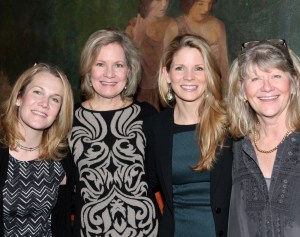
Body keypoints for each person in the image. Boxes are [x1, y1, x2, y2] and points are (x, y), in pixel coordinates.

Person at [68, 29, 159, 237]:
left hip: (146, 230)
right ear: (88, 70)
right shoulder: (69, 119)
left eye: (118, 65)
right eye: (100, 64)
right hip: (91, 230)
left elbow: (155, 177)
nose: (109, 74)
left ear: (129, 70)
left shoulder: (147, 116)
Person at [144, 34, 233, 237]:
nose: (189, 77)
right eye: (180, 68)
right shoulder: (154, 128)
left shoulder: (231, 123)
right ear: (167, 74)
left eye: (198, 68)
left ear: (209, 73)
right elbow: (142, 186)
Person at [226, 39, 300, 236]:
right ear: (242, 90)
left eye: (276, 75)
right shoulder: (234, 149)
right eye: (255, 78)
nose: (267, 87)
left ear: (294, 83)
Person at [0, 63, 74, 236]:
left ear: (59, 112)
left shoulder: (61, 158)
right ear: (19, 97)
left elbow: (62, 223)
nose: (44, 103)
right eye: (37, 92)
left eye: (55, 99)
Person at [163, 0, 229, 87]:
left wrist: (225, 92)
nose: (206, 9)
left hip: (212, 88)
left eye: (210, 3)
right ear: (189, 3)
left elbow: (224, 66)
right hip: (186, 85)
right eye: (200, 3)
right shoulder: (175, 27)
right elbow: (166, 64)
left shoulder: (218, 25)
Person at [125, 0, 174, 111]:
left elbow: (169, 63)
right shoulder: (134, 25)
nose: (164, 4)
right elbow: (125, 63)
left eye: (166, 0)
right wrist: (138, 39)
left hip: (160, 90)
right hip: (137, 89)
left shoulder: (171, 25)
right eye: (158, 0)